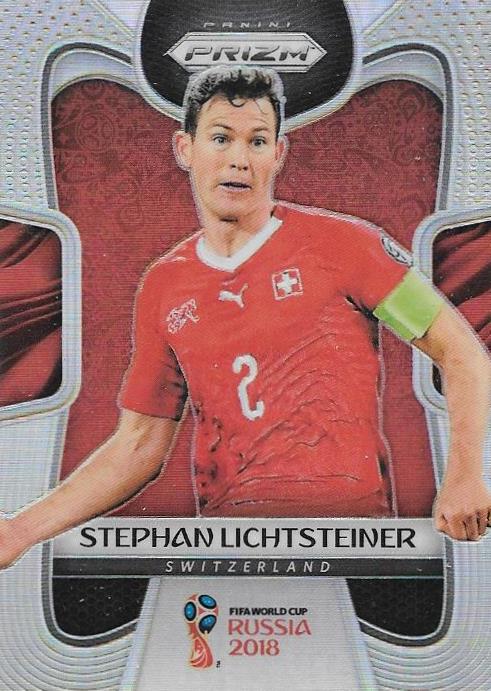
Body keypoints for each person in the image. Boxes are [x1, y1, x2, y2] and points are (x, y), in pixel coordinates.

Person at [0, 66, 490, 567]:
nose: (239, 159)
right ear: (184, 149)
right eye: (220, 138)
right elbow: (139, 445)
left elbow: (461, 352)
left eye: (257, 141)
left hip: (348, 542)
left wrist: (465, 475)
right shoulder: (165, 285)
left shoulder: (348, 246)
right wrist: (19, 531)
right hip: (229, 547)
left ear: (278, 153)